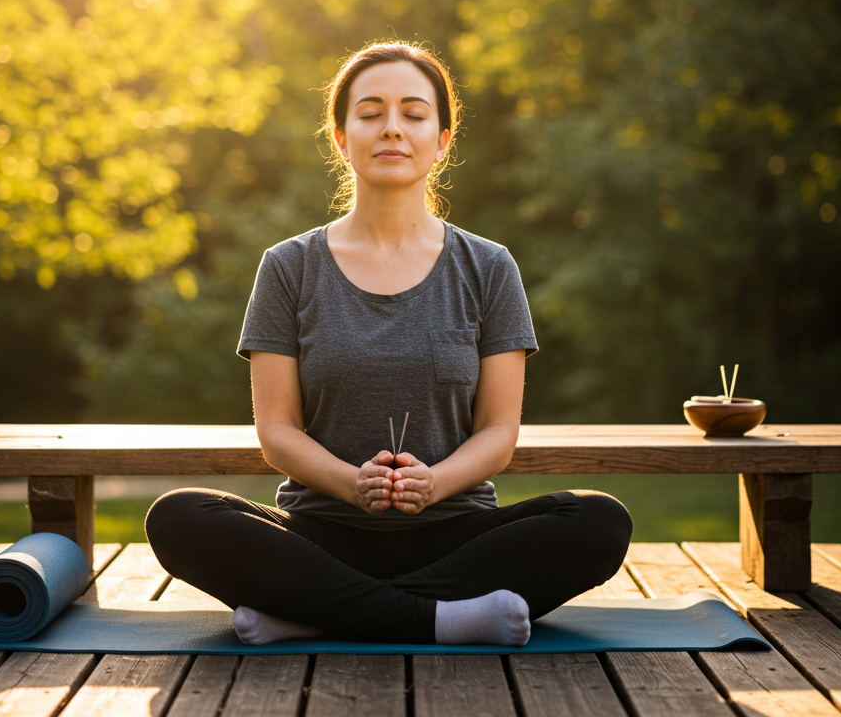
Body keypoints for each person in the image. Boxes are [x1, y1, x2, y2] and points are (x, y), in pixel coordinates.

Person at [145, 41, 631, 646]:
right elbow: (277, 431)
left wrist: (436, 483)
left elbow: (498, 433)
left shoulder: (489, 267)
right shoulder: (288, 267)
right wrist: (352, 484)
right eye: (371, 113)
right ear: (341, 138)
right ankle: (441, 619)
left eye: (413, 113)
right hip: (321, 531)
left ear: (442, 140)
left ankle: (316, 612)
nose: (392, 129)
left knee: (600, 521)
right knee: (178, 517)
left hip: (456, 531)